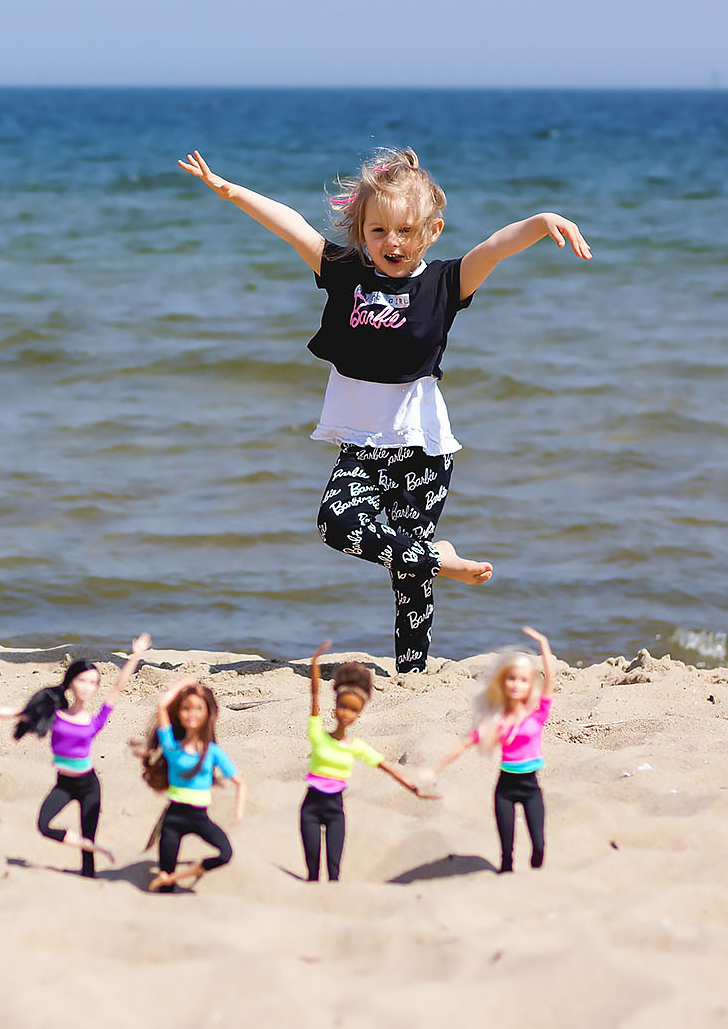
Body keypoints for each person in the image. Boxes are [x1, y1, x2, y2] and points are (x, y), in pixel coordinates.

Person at [179, 147, 592, 673]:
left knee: (407, 576)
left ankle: (412, 672)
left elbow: (493, 249)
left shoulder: (445, 283)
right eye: (377, 231)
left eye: (403, 231)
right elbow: (293, 228)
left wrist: (540, 222)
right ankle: (440, 558)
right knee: (335, 523)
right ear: (362, 230)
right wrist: (230, 190)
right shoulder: (345, 271)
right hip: (363, 445)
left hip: (422, 447)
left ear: (430, 230)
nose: (390, 243)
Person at [0, 634, 151, 877]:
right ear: (71, 681)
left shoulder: (94, 721)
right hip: (64, 785)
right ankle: (92, 846)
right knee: (44, 825)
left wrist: (136, 654)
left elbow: (119, 685)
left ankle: (89, 868)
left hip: (88, 785)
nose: (87, 687)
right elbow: (16, 713)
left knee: (88, 850)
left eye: (93, 682)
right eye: (82, 680)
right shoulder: (54, 715)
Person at [299, 641, 437, 882]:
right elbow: (314, 701)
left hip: (335, 811)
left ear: (359, 713)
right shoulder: (318, 736)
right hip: (310, 807)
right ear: (336, 705)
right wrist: (314, 664)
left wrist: (413, 788)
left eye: (352, 710)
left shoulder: (356, 746)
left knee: (334, 871)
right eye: (342, 706)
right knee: (312, 870)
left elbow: (386, 767)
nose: (345, 713)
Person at [432, 626, 555, 873]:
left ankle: (535, 863)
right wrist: (436, 768)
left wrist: (543, 643)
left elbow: (550, 678)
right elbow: (466, 743)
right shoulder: (497, 721)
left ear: (530, 685)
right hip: (505, 788)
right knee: (506, 853)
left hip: (531, 788)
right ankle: (507, 874)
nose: (516, 685)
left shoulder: (538, 715)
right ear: (503, 682)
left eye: (523, 680)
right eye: (511, 678)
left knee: (539, 845)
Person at [138, 677, 246, 892]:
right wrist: (183, 684)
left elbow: (239, 781)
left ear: (209, 714)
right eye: (186, 708)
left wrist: (239, 813)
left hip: (199, 817)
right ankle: (168, 881)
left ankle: (175, 877)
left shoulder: (212, 751)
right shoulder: (171, 746)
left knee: (225, 854)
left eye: (198, 708)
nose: (192, 714)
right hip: (173, 819)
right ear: (178, 713)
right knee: (165, 883)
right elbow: (162, 706)